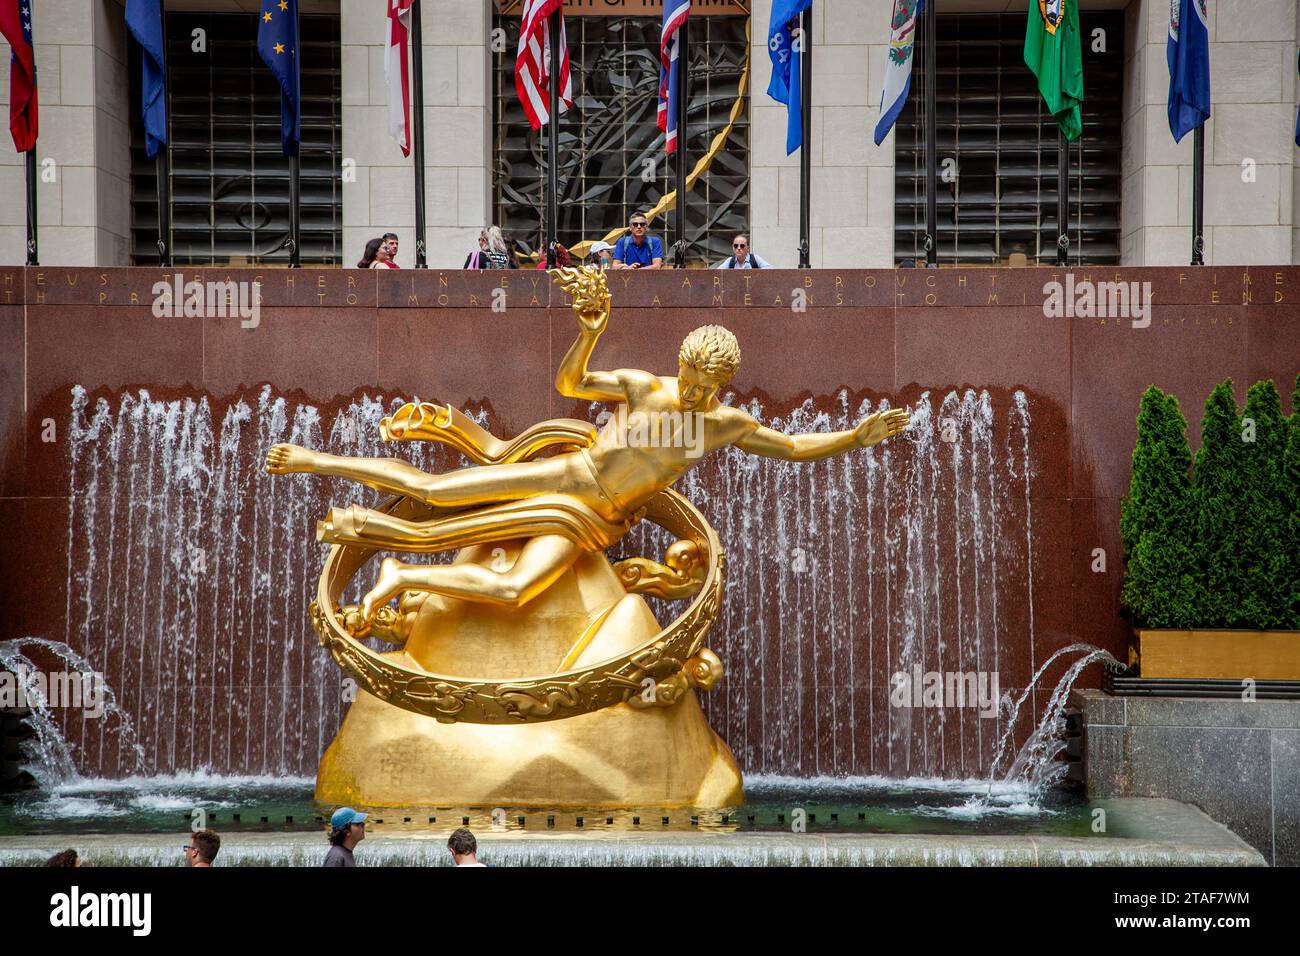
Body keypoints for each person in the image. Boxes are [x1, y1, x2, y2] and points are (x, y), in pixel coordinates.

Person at [266, 269, 911, 619]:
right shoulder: (640, 386)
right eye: (686, 376)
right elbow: (569, 382)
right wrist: (589, 331)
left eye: (703, 384)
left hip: (596, 524)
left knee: (518, 591)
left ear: (723, 383)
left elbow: (793, 449)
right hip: (566, 477)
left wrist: (856, 436)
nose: (689, 391)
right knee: (434, 490)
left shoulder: (727, 425)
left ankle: (401, 572)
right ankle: (314, 460)